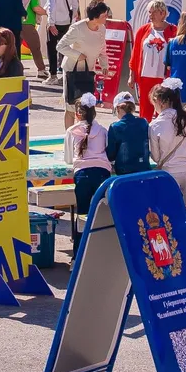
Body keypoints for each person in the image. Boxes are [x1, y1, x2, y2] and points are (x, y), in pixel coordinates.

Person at [64, 93, 110, 256]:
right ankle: (101, 252)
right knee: (102, 214)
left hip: (82, 175)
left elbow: (68, 159)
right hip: (102, 175)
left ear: (77, 114)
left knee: (82, 214)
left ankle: (78, 255)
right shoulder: (103, 131)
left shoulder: (71, 131)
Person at [148, 79, 186, 208]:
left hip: (170, 171)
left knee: (170, 207)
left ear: (160, 101)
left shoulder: (155, 125)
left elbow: (156, 157)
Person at [56, 1, 110, 128]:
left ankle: (84, 133)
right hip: (72, 71)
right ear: (95, 17)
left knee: (86, 105)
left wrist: (104, 65)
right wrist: (77, 55)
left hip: (88, 72)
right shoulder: (77, 28)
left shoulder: (102, 28)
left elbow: (102, 49)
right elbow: (60, 46)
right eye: (104, 15)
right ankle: (69, 135)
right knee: (71, 106)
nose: (106, 18)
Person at [129, 0, 175, 122]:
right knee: (145, 113)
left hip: (164, 78)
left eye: (154, 12)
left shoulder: (174, 31)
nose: (151, 15)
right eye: (149, 12)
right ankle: (145, 137)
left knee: (164, 110)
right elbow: (135, 54)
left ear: (163, 13)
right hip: (145, 77)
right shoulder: (142, 31)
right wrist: (131, 75)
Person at [45, 0, 78, 80]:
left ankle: (53, 75)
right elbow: (75, 4)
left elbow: (51, 7)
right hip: (66, 22)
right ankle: (67, 73)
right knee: (65, 47)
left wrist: (51, 23)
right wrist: (71, 17)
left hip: (56, 22)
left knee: (52, 48)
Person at [106, 91, 150, 175]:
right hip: (143, 169)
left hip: (124, 171)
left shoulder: (115, 127)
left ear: (118, 109)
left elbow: (110, 155)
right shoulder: (143, 122)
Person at [18, 0, 48, 80]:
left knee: (16, 48)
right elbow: (36, 9)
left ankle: (16, 70)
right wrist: (47, 12)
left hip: (17, 23)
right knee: (35, 47)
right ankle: (41, 70)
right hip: (27, 24)